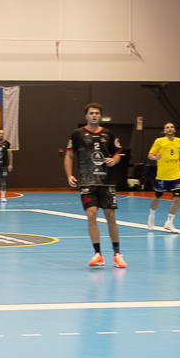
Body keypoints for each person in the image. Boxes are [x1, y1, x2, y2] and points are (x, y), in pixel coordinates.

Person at [64, 103, 126, 268]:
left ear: (100, 116)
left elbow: (118, 155)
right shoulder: (77, 134)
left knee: (110, 216)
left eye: (97, 113)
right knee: (91, 215)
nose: (94, 115)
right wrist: (69, 174)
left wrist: (115, 159)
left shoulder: (108, 134)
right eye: (91, 113)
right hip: (86, 181)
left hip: (106, 181)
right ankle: (98, 254)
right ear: (86, 116)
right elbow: (69, 156)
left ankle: (117, 253)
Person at [146, 122, 180, 234]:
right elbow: (150, 155)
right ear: (164, 131)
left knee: (177, 197)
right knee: (157, 196)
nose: (170, 129)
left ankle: (169, 222)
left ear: (174, 130)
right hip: (163, 174)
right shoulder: (159, 141)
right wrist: (155, 157)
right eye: (167, 127)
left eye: (172, 127)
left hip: (176, 173)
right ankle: (151, 216)